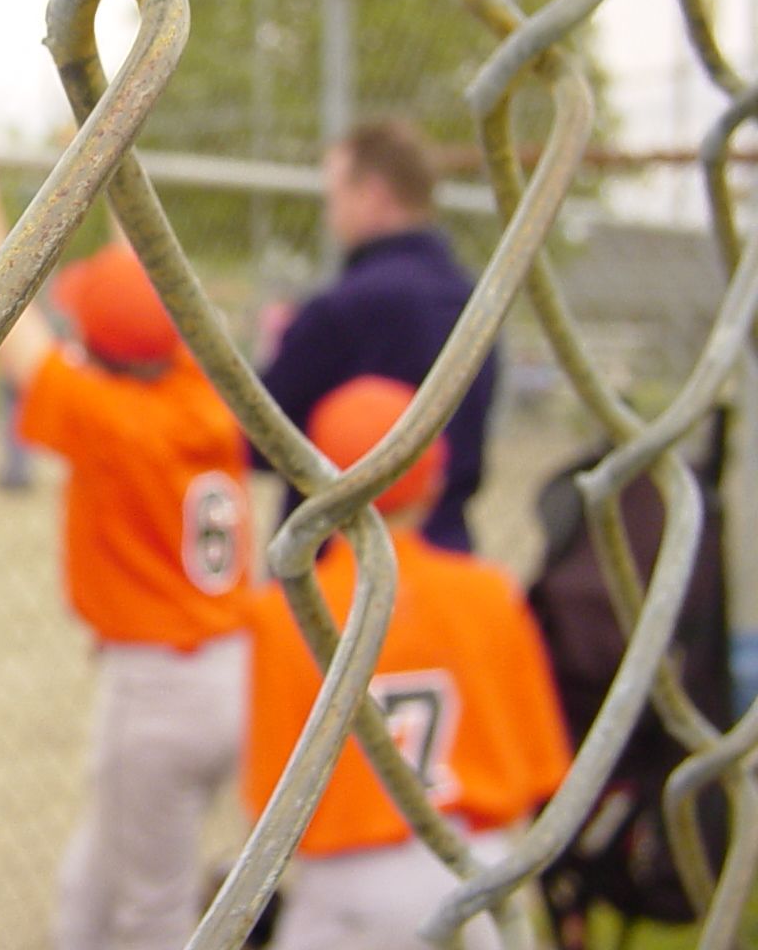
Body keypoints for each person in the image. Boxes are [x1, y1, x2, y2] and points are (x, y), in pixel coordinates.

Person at [0, 106, 256, 950]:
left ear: (99, 349)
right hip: (231, 665)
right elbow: (146, 270)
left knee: (151, 908)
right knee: (94, 878)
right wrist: (114, 141)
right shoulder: (207, 388)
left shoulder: (108, 417)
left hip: (158, 689)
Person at [243, 376, 569, 949]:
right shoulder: (491, 594)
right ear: (435, 479)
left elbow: (268, 791)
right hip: (474, 868)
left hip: (348, 883)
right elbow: (542, 768)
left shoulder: (287, 611)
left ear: (313, 484)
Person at [258, 120, 497, 551]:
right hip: (443, 545)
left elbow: (261, 436)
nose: (331, 216)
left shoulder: (345, 307)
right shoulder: (474, 302)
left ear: (373, 195)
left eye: (336, 198)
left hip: (344, 558)